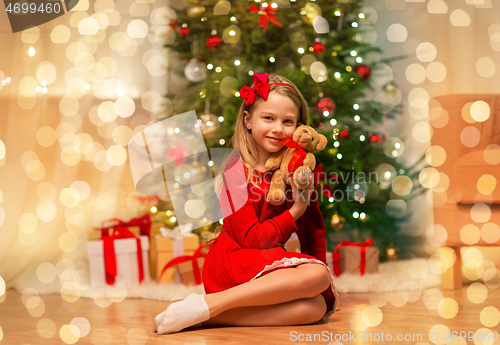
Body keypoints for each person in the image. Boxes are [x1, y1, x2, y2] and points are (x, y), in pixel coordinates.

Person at [154, 73, 339, 335]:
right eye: (268, 118)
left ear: (299, 129)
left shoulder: (298, 170)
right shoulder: (234, 170)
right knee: (317, 276)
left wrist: (322, 287)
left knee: (316, 307)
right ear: (248, 120)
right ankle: (211, 302)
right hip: (234, 260)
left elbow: (313, 229)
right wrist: (295, 209)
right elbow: (253, 239)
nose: (277, 128)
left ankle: (208, 315)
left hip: (266, 262)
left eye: (288, 122)